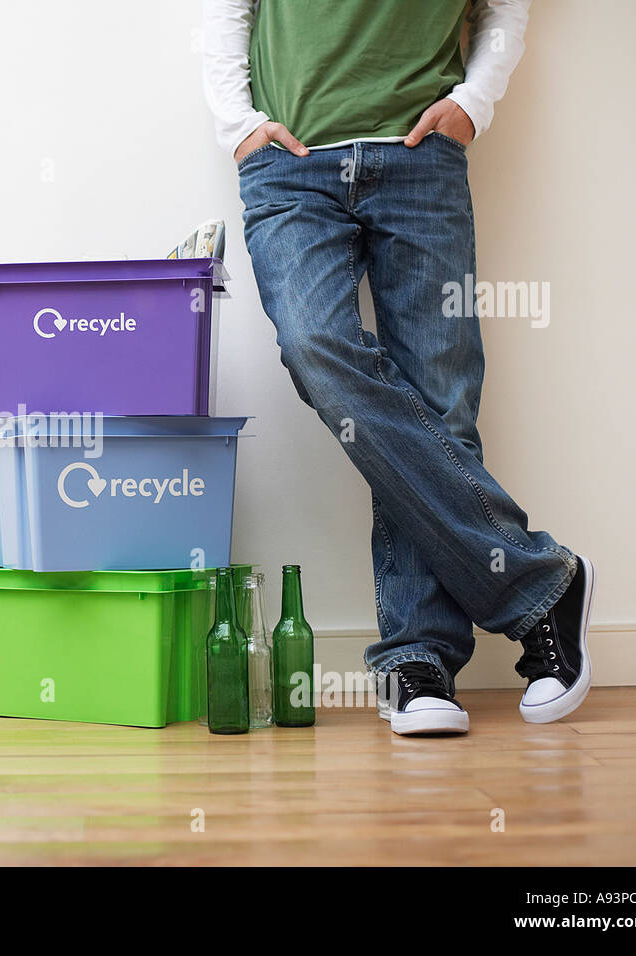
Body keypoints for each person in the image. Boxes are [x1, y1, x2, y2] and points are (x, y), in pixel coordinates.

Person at [202, 0, 595, 735]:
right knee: (316, 346)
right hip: (290, 166)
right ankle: (543, 584)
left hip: (420, 160)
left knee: (439, 401)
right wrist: (239, 123)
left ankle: (419, 660)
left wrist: (473, 102)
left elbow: (503, 9)